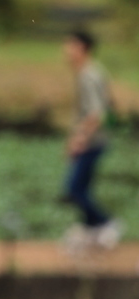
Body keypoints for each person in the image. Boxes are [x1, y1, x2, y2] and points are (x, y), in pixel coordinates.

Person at [61, 29, 122, 256]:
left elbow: (96, 114)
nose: (65, 51)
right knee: (82, 187)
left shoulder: (88, 74)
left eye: (69, 45)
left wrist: (78, 140)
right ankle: (90, 229)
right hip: (97, 140)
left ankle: (105, 223)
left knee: (74, 189)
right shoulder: (93, 71)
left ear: (81, 48)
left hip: (92, 142)